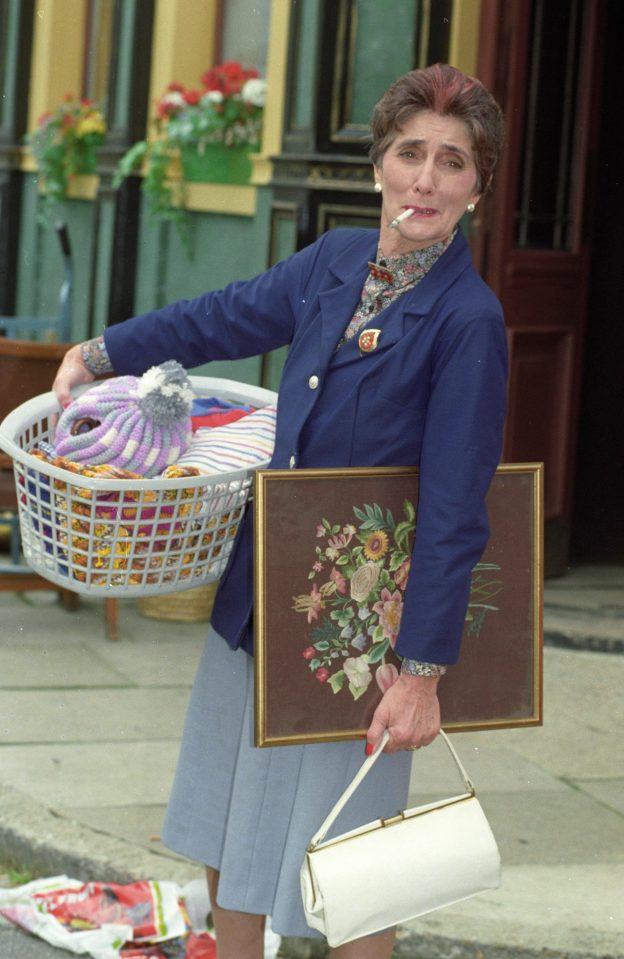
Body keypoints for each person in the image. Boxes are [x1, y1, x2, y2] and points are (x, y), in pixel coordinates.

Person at [53, 63, 507, 959]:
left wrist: (420, 671)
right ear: (378, 165)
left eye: (451, 162)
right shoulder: (337, 261)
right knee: (233, 823)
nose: (426, 177)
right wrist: (102, 352)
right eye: (410, 152)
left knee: (354, 863)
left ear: (476, 189)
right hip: (264, 593)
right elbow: (222, 317)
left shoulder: (469, 319)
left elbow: (457, 508)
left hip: (363, 634)